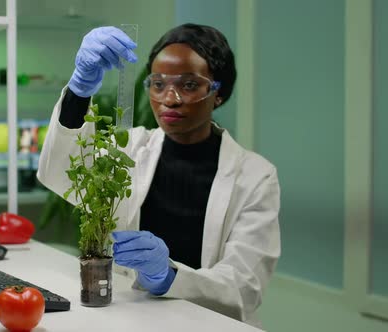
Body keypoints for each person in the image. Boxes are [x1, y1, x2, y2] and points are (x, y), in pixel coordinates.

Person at [37, 23, 280, 328]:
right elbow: (60, 173)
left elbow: (245, 286)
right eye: (158, 83)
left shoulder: (256, 176)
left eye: (189, 84)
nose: (170, 98)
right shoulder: (130, 149)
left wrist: (168, 276)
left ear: (218, 93)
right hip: (133, 318)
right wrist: (79, 90)